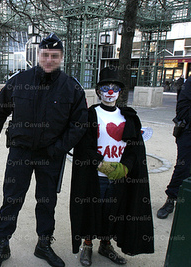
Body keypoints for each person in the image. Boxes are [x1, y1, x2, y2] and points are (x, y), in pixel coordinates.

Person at [0, 33, 88, 267]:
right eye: (45, 55)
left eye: (54, 56)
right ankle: (3, 244)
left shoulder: (71, 88)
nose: (49, 59)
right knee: (11, 198)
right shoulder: (20, 80)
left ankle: (44, 244)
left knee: (46, 201)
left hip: (50, 154)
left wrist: (59, 148)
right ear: (38, 55)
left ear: (61, 58)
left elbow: (79, 124)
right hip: (20, 152)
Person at [70, 66, 154, 266]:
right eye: (105, 87)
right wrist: (100, 164)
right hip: (94, 176)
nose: (110, 91)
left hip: (119, 177)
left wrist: (125, 167)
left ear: (120, 91)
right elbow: (84, 145)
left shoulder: (128, 116)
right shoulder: (90, 115)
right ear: (98, 91)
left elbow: (135, 147)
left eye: (114, 87)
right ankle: (88, 245)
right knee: (92, 209)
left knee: (114, 210)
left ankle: (106, 244)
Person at [157, 75, 191, 219]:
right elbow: (183, 109)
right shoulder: (188, 84)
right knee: (183, 167)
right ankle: (171, 199)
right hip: (188, 132)